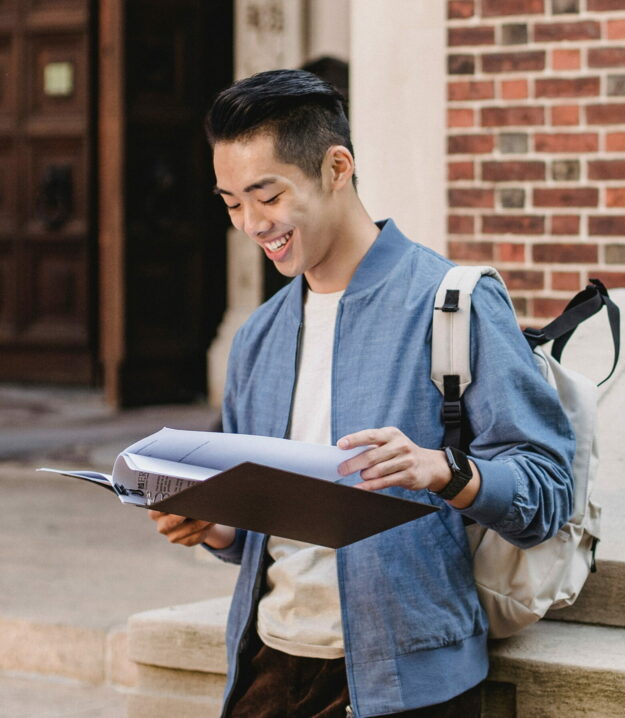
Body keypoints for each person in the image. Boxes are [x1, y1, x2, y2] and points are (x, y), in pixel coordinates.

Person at [148, 69, 574, 717]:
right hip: (268, 671)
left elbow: (547, 493)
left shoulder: (451, 303)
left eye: (267, 196)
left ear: (337, 167)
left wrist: (443, 470)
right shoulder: (257, 337)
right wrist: (213, 527)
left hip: (412, 682)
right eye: (232, 203)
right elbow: (262, 531)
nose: (251, 224)